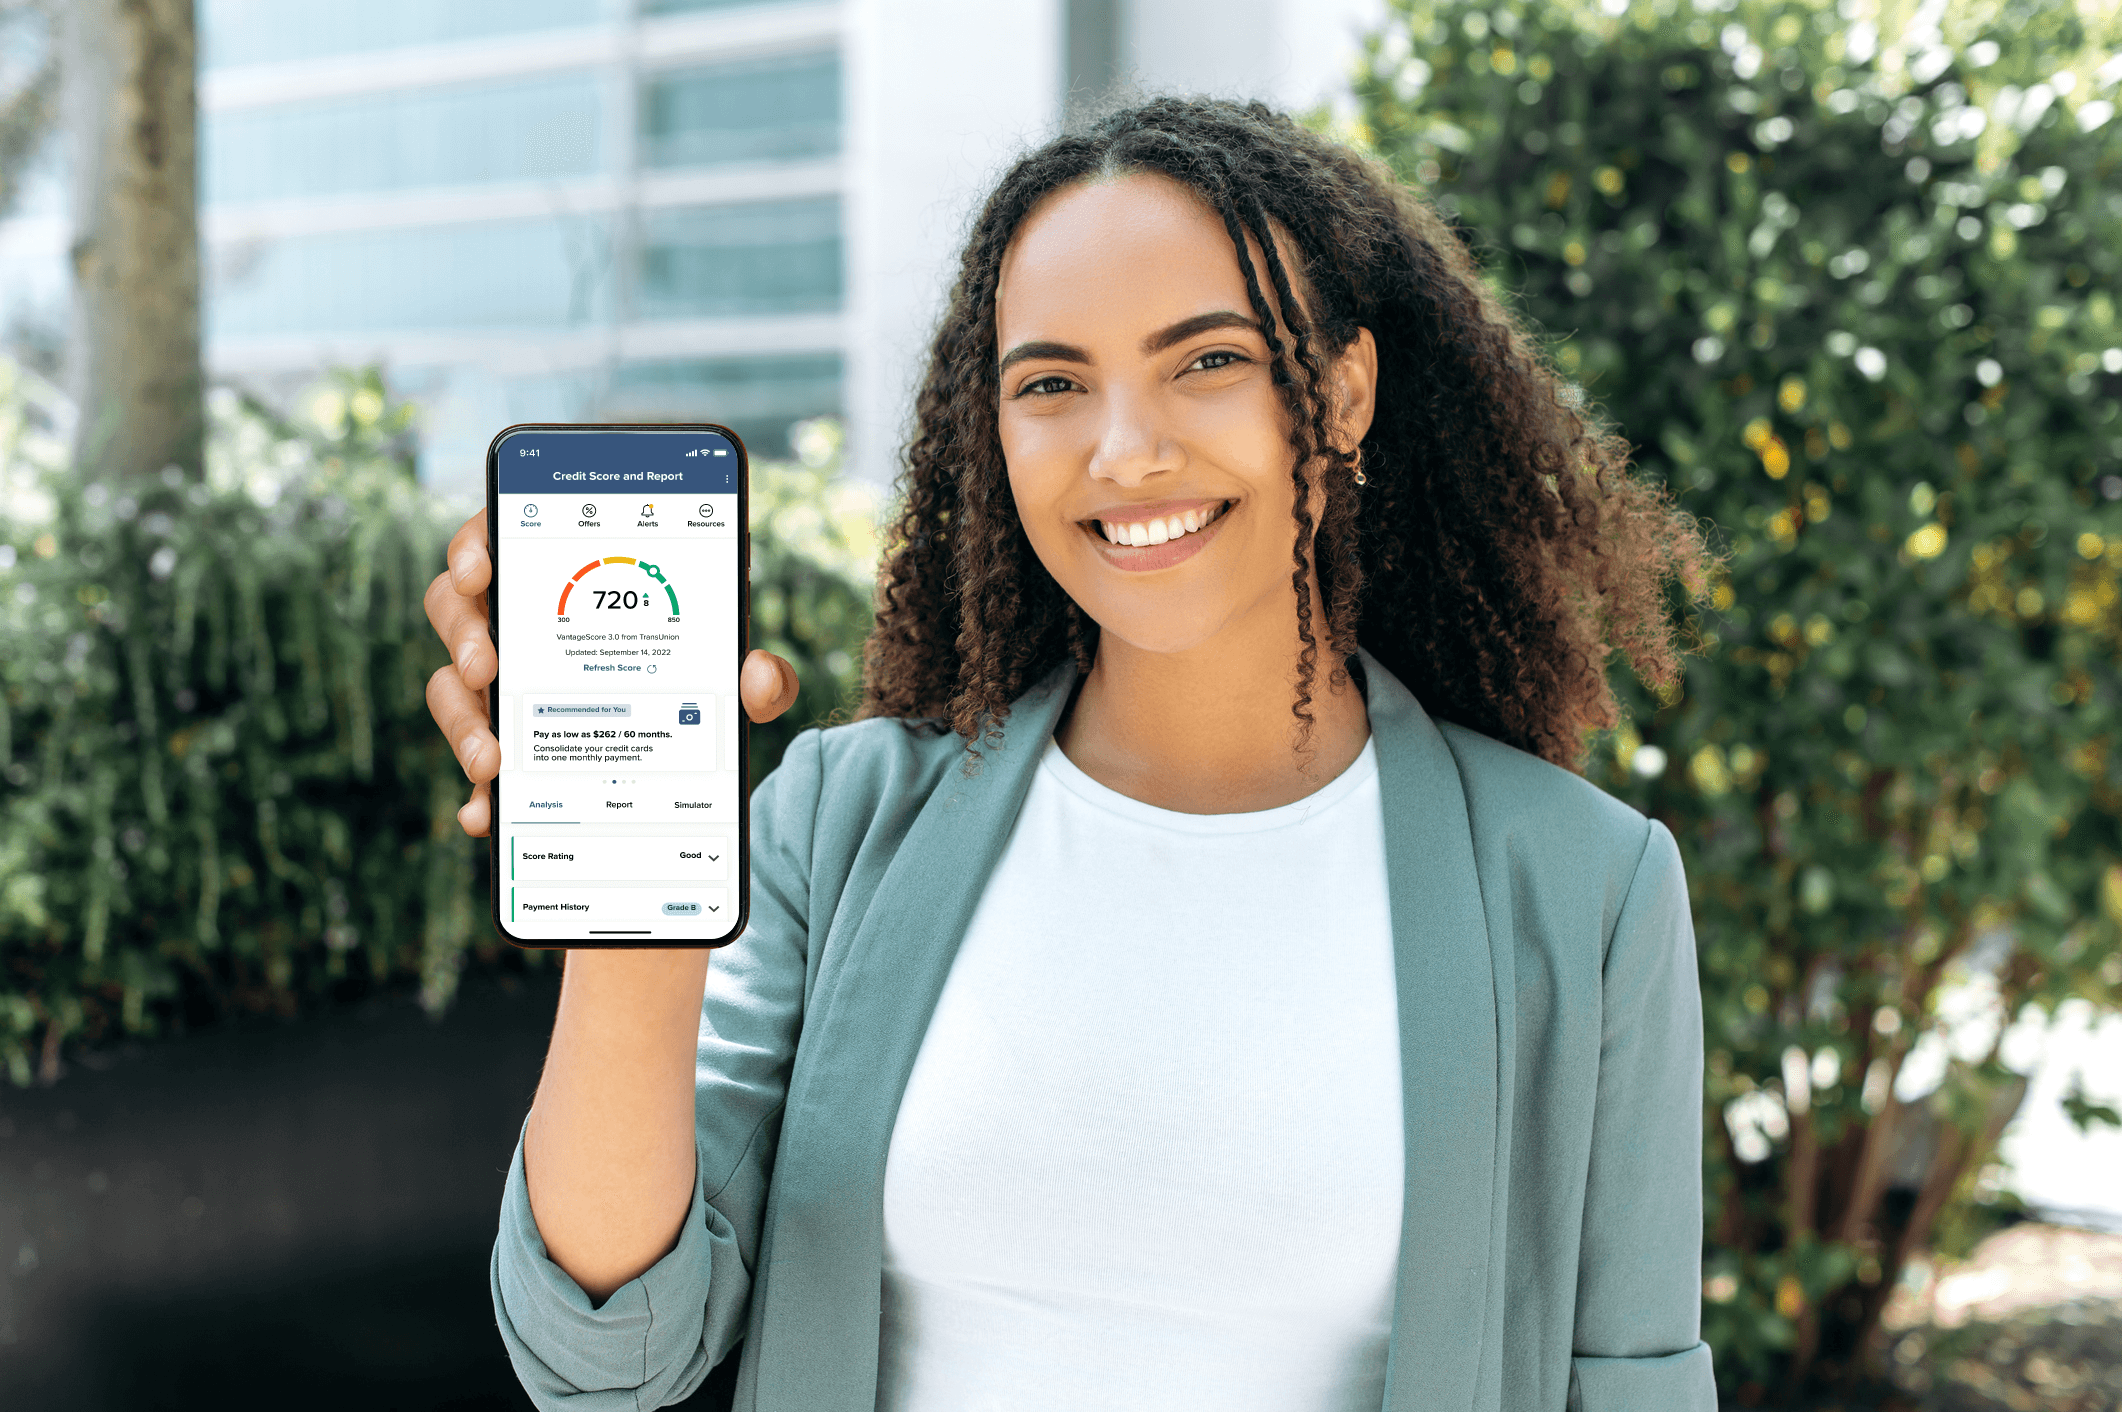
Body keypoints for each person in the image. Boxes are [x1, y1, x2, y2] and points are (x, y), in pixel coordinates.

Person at [423, 98, 1716, 1412]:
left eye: (1204, 361)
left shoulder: (1583, 894)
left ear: (1340, 393)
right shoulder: (841, 818)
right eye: (1049, 383)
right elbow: (603, 1355)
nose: (1122, 451)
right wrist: (633, 907)